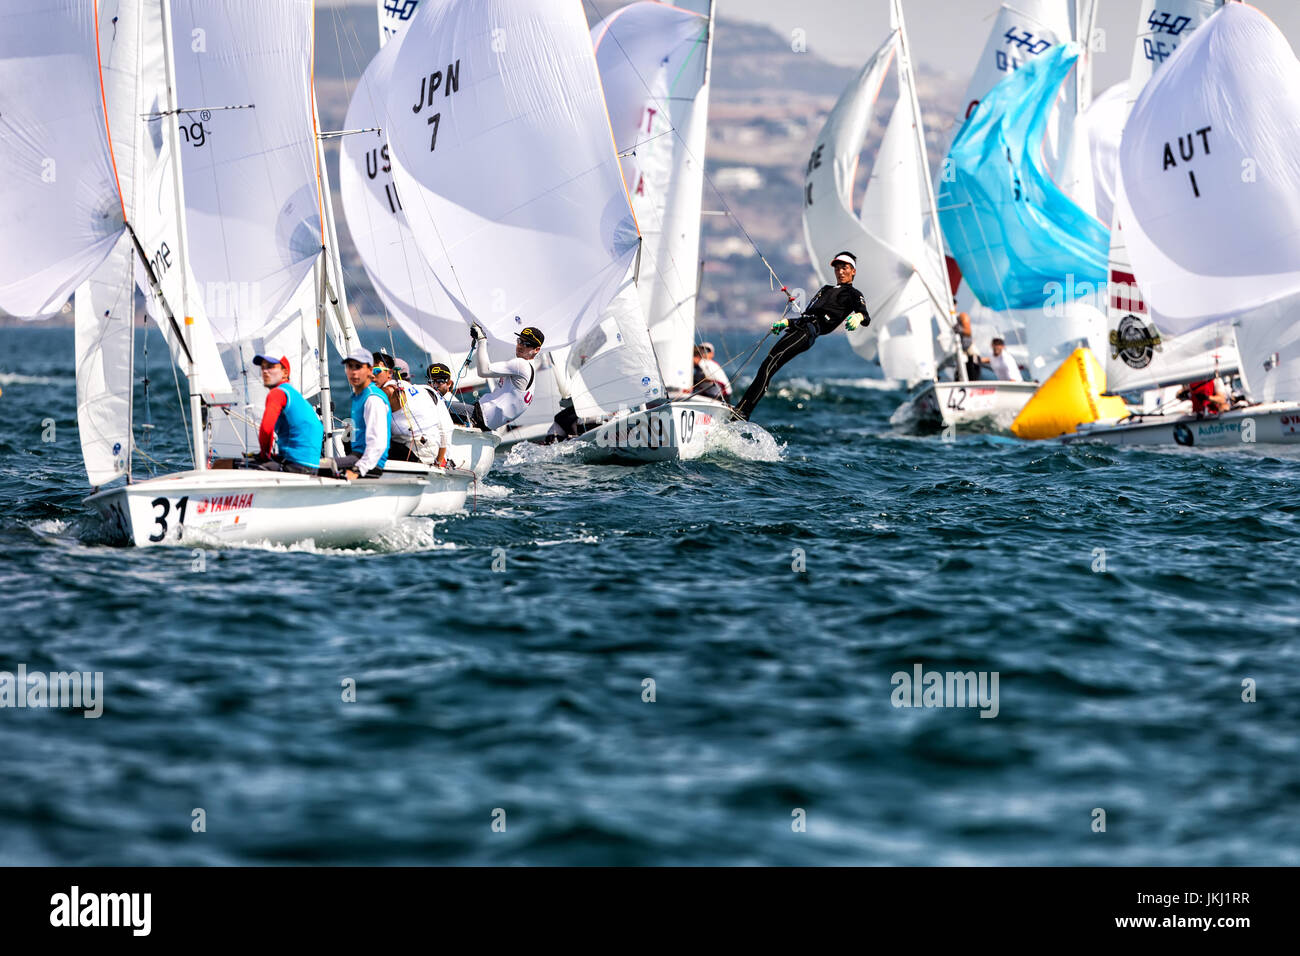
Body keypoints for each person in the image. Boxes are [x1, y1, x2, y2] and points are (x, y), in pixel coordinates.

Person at [733, 251, 869, 420]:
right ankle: (741, 409)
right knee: (768, 365)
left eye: (845, 268)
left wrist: (858, 316)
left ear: (853, 271)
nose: (840, 271)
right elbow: (807, 315)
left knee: (769, 366)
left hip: (808, 333)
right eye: (837, 268)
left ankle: (743, 412)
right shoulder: (825, 290)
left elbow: (865, 316)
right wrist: (786, 323)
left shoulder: (854, 294)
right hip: (799, 328)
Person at [449, 325, 543, 431]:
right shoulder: (531, 371)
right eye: (520, 340)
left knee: (439, 406)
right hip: (486, 423)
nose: (520, 345)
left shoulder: (521, 364)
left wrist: (481, 340)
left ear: (537, 349)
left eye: (527, 344)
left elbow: (484, 371)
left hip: (478, 416)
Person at [373, 352, 452, 467]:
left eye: (376, 371)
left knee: (352, 438)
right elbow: (445, 429)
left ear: (390, 373)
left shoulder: (388, 391)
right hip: (432, 457)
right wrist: (440, 462)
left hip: (413, 456)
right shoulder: (425, 391)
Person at [248, 354, 324, 473]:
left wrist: (264, 456)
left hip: (295, 467)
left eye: (271, 367)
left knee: (221, 463)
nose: (265, 371)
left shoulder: (277, 393)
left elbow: (267, 429)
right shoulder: (294, 394)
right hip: (311, 465)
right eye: (263, 367)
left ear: (285, 373)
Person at [330, 348, 390, 479]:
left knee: (313, 467)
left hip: (370, 464)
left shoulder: (372, 399)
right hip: (357, 457)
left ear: (370, 370)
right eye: (349, 367)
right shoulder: (359, 396)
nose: (353, 372)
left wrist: (358, 470)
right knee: (313, 464)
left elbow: (378, 444)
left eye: (358, 367)